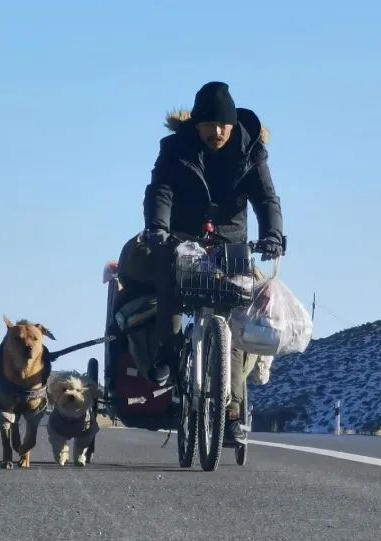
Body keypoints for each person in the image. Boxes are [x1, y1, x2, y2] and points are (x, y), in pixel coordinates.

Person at [118, 81, 285, 444]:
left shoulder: (251, 151)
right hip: (182, 235)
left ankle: (233, 412)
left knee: (235, 315)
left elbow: (266, 199)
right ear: (196, 124)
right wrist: (157, 228)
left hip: (231, 240)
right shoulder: (175, 148)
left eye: (224, 125)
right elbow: (160, 190)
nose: (218, 131)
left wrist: (273, 235)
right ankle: (167, 355)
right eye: (210, 125)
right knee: (169, 281)